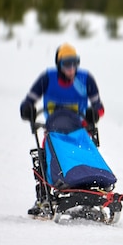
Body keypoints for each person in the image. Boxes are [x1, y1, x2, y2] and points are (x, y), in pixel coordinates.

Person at [19, 42, 105, 215]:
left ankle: (89, 186)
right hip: (53, 130)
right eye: (67, 64)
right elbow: (28, 102)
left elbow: (99, 107)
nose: (72, 68)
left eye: (75, 63)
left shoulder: (85, 79)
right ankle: (43, 197)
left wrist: (93, 114)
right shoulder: (47, 78)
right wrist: (27, 110)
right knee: (44, 157)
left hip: (79, 130)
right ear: (59, 65)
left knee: (84, 154)